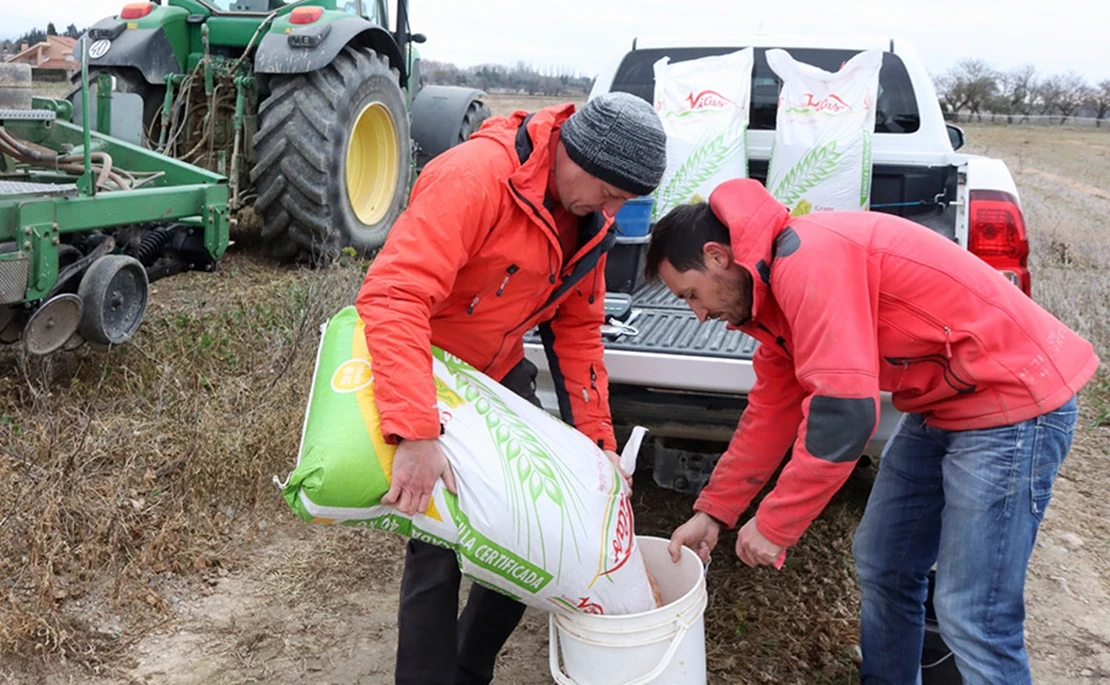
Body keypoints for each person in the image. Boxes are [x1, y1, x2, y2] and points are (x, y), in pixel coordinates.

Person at [653, 178, 1099, 684]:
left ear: (717, 256)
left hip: (1013, 402)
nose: (699, 313)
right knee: (884, 564)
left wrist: (775, 525)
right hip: (947, 405)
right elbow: (772, 410)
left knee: (972, 613)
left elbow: (844, 414)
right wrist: (714, 512)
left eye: (691, 294)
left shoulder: (808, 259)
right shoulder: (772, 299)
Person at [353, 92, 667, 685]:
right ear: (576, 152)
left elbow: (576, 330)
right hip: (433, 372)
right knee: (437, 545)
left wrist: (598, 442)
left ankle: (471, 669)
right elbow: (394, 296)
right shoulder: (475, 178)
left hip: (497, 374)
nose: (614, 209)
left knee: (540, 531)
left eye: (625, 199)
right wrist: (417, 432)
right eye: (610, 192)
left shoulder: (591, 221)